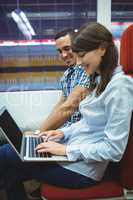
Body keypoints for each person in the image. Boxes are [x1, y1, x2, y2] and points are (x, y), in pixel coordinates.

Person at [0, 22, 133, 200]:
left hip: (82, 171)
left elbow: (114, 149)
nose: (78, 62)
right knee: (13, 156)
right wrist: (61, 132)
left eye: (82, 55)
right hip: (72, 158)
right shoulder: (100, 80)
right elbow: (86, 123)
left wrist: (66, 149)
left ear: (102, 49)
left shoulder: (120, 86)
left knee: (7, 155)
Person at [28, 28, 90, 199]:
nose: (63, 55)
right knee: (12, 150)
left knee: (7, 156)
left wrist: (38, 135)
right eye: (59, 51)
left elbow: (69, 107)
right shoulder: (67, 74)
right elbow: (60, 104)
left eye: (67, 49)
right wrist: (40, 133)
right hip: (65, 135)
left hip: (75, 142)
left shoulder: (88, 71)